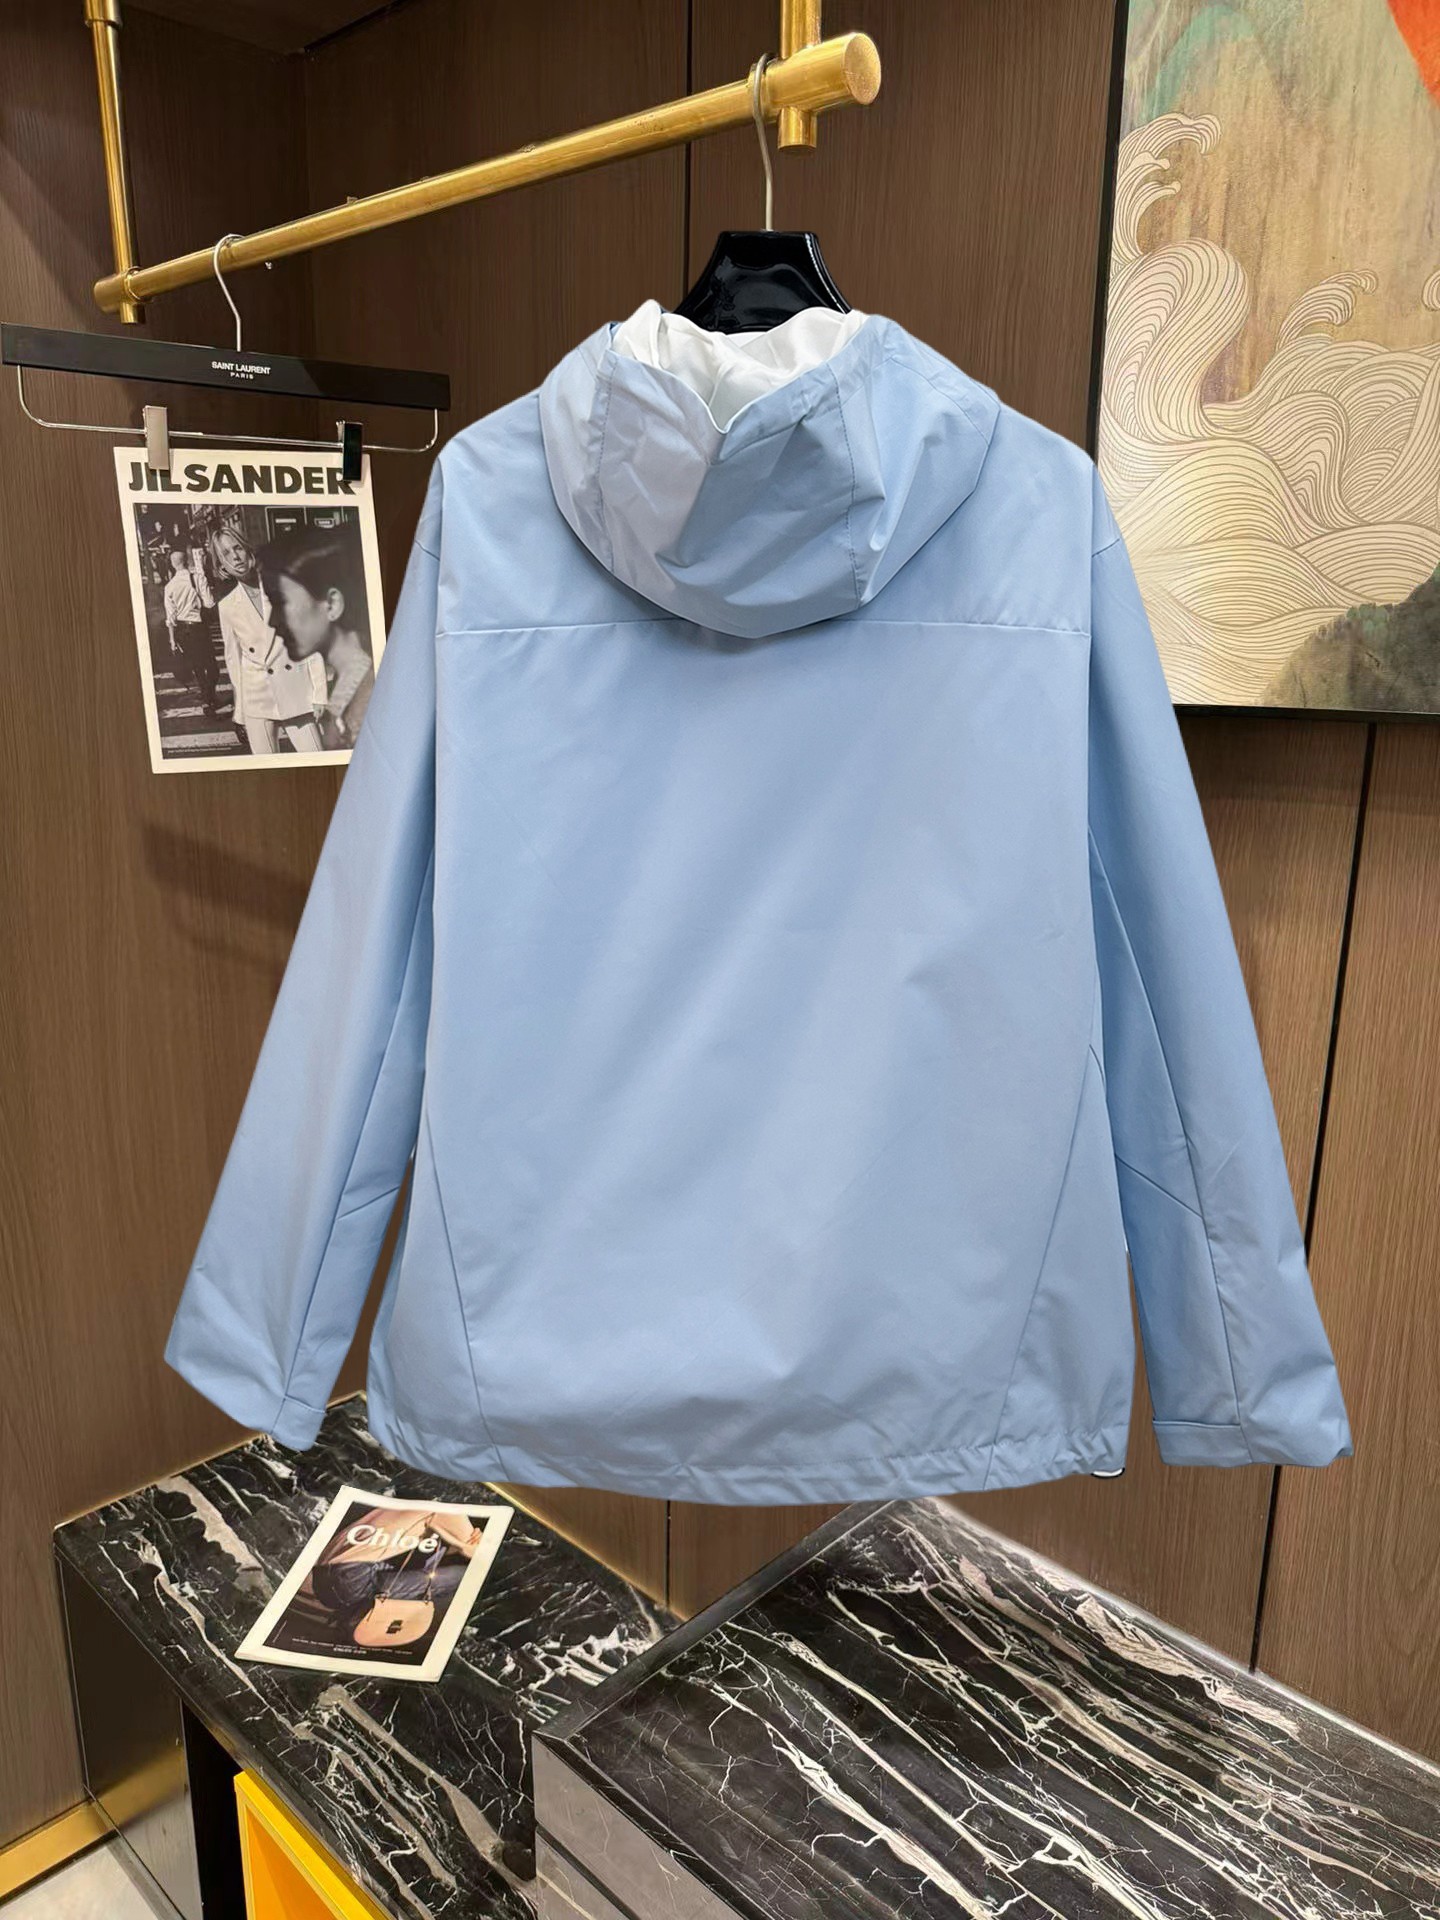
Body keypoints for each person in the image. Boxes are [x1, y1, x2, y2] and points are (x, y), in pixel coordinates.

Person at [212, 527, 325, 756]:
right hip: (256, 698)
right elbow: (234, 661)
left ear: (248, 550)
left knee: (316, 758)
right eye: (226, 554)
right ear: (222, 565)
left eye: (237, 548)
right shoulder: (227, 607)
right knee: (268, 768)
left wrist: (319, 694)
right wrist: (240, 711)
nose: (235, 557)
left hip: (296, 691)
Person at [263, 527, 375, 750]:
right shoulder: (354, 681)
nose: (272, 621)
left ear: (332, 604)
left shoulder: (368, 702)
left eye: (281, 602)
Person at [162, 550, 222, 720]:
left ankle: (208, 699)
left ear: (172, 565)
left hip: (182, 631)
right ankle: (209, 699)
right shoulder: (197, 578)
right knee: (212, 667)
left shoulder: (169, 587)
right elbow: (209, 603)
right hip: (199, 628)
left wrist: (172, 640)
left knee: (198, 667)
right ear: (187, 562)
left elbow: (170, 618)